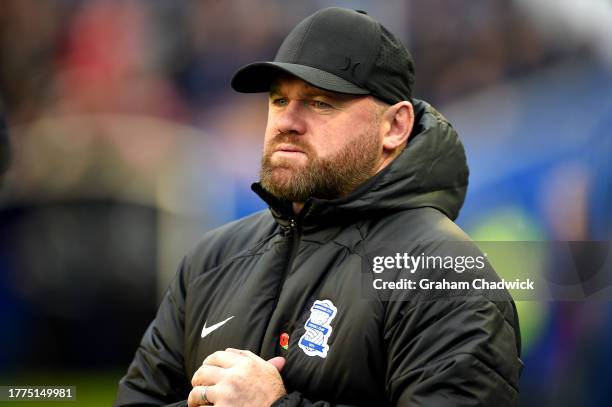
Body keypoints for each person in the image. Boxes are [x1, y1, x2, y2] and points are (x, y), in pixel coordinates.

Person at [115, 7, 522, 407]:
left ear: (395, 127)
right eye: (278, 100)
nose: (287, 121)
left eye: (321, 103)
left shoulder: (443, 271)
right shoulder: (211, 260)